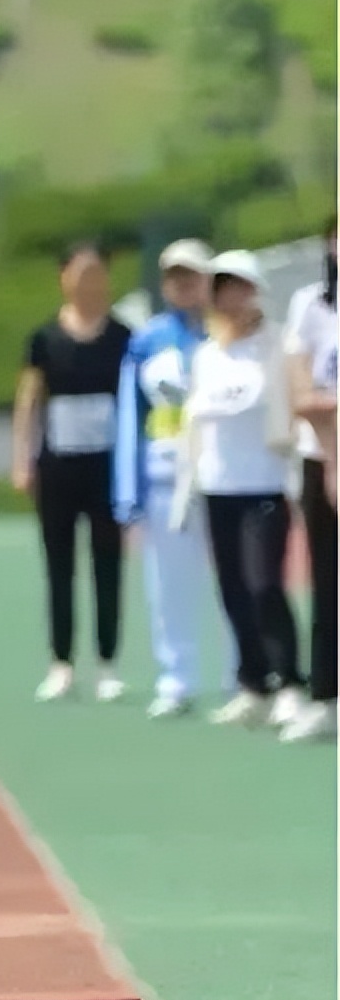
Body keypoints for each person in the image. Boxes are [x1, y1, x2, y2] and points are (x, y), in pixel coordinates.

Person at [172, 251, 305, 729]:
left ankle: (290, 682)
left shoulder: (278, 346)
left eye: (239, 286)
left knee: (265, 583)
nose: (230, 297)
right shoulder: (208, 353)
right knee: (232, 589)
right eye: (221, 288)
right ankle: (254, 683)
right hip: (218, 487)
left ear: (254, 291)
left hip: (265, 485)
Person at [113, 239, 234, 717]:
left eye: (194, 276)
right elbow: (129, 417)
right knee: (168, 583)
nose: (185, 285)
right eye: (175, 277)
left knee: (234, 580)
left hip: (222, 476)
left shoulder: (228, 335)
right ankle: (176, 677)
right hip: (165, 476)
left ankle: (241, 675)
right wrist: (128, 490)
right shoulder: (147, 340)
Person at [12, 243, 131, 703]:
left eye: (97, 272)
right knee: (59, 566)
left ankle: (108, 663)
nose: (89, 282)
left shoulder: (123, 336)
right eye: (80, 273)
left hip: (108, 467)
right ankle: (61, 662)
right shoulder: (45, 339)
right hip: (58, 467)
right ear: (64, 278)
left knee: (108, 564)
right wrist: (22, 458)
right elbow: (29, 401)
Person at [280, 217, 338, 742]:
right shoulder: (311, 305)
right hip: (320, 457)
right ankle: (325, 694)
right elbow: (302, 394)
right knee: (327, 578)